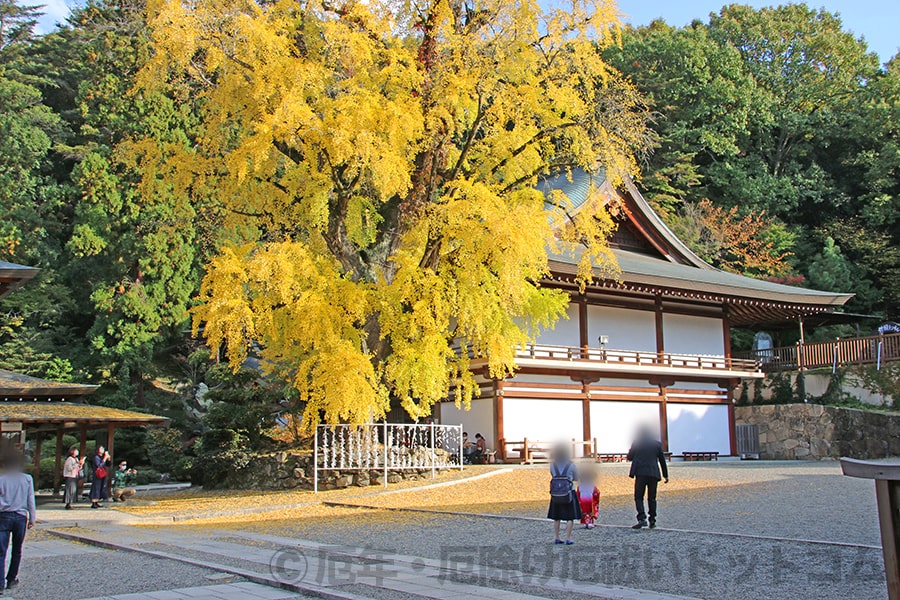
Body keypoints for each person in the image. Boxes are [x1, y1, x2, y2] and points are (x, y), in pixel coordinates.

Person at [0, 451, 36, 595]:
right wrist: (32, 517)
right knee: (17, 549)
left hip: (3, 515)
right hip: (20, 515)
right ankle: (12, 578)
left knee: (1, 551)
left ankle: (0, 583)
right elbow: (30, 499)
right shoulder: (27, 479)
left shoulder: (1, 480)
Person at [626, 425, 669, 529]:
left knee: (638, 496)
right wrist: (665, 475)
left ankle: (642, 518)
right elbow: (662, 461)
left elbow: (630, 457)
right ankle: (652, 519)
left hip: (640, 473)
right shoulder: (657, 444)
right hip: (653, 473)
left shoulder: (637, 443)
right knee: (652, 498)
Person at [547, 444, 580, 545]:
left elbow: (552, 474)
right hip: (569, 492)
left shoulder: (553, 465)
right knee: (570, 517)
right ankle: (568, 538)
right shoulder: (571, 465)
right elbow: (576, 477)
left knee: (556, 516)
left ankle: (557, 537)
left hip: (556, 492)